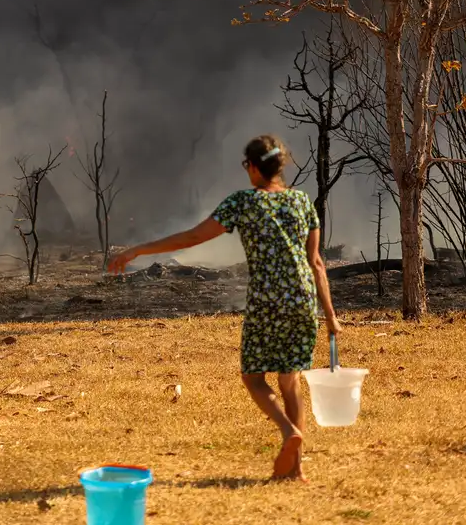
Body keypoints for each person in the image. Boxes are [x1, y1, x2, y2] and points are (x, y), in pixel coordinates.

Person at [108, 135, 341, 482]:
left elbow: (192, 238)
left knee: (253, 378)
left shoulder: (242, 202)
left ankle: (288, 432)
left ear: (251, 166)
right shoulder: (301, 202)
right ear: (280, 165)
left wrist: (139, 250)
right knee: (290, 382)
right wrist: (331, 315)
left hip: (266, 300)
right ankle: (296, 471)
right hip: (302, 300)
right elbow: (317, 263)